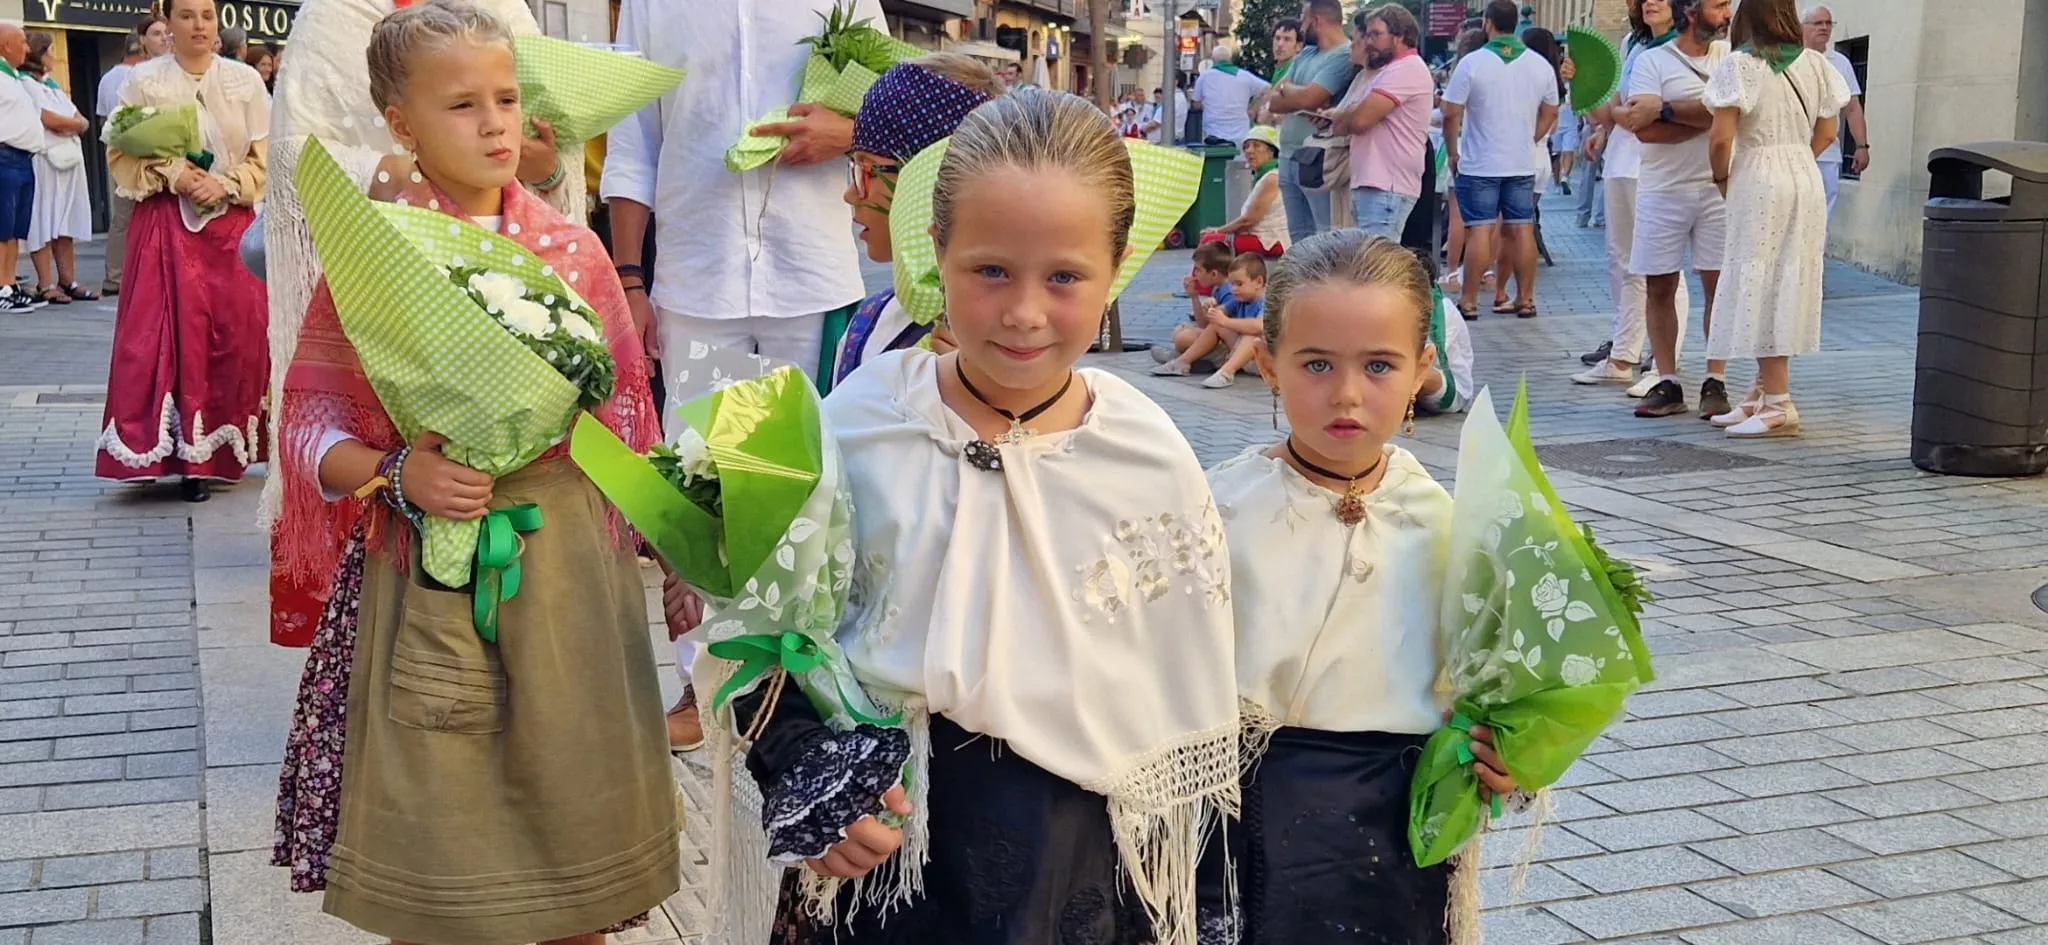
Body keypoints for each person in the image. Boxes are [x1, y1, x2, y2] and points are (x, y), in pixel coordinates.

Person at [701, 88, 1238, 945]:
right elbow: (765, 634)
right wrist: (808, 769)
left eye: (1064, 277)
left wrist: (1200, 897)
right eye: (991, 270)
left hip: (1075, 867)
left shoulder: (1150, 456)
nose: (1024, 312)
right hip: (891, 855)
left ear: (1117, 265)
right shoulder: (853, 424)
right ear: (938, 250)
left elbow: (1190, 690)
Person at [269, 6, 675, 944]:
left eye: (506, 98)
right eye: (461, 105)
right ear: (399, 122)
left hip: (568, 568)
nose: (496, 124)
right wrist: (401, 472)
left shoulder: (576, 253)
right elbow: (310, 427)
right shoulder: (378, 253)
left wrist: (685, 550)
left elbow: (625, 423)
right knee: (439, 849)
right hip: (423, 571)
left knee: (578, 826)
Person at [1198, 231, 1513, 943]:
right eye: (1316, 364)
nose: (1346, 394)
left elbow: (1480, 687)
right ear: (1271, 366)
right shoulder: (1217, 511)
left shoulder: (1444, 520)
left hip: (1396, 833)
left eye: (1379, 365)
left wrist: (1500, 751)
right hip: (1249, 827)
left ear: (1422, 370)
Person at [604, 0, 875, 401]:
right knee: (698, 458)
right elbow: (632, 145)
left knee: (815, 454)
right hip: (697, 290)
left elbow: (889, 105)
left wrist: (849, 134)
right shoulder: (648, 5)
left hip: (812, 281)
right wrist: (629, 282)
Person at [94, 0, 269, 501]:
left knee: (234, 334)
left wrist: (229, 183)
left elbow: (267, 156)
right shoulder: (145, 80)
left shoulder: (244, 82)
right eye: (187, 15)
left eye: (208, 15)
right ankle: (179, 456)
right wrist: (174, 173)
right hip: (167, 224)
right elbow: (121, 152)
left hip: (229, 228)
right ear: (166, 23)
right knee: (165, 333)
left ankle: (221, 450)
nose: (199, 25)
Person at [1704, 0, 1847, 438]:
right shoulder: (1817, 65)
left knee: (1759, 281)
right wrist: (1796, 159)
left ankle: (1779, 402)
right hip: (1803, 174)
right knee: (1786, 277)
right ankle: (1761, 392)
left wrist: (1723, 177)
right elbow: (1828, 132)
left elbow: (1721, 136)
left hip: (1758, 175)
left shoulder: (1739, 65)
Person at [830, 52, 996, 386]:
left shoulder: (1006, 338)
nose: (850, 193)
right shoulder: (870, 318)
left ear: (928, 179)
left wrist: (982, 394)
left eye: (865, 170)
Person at [1613, 0, 1733, 419]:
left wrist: (1667, 109)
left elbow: (1731, 115)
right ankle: (1667, 381)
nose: (1728, 13)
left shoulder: (1731, 56)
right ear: (1691, 12)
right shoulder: (1652, 62)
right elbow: (1643, 131)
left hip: (1718, 186)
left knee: (1718, 285)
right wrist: (1711, 114)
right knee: (1659, 285)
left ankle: (1715, 379)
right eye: (1719, 5)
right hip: (1662, 189)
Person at [1574, 0, 1691, 396]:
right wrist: (1584, 84)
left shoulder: (1686, 48)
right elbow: (1612, 111)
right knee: (1622, 261)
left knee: (1662, 265)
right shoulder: (1633, 44)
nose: (1649, 4)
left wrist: (1627, 116)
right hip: (1622, 163)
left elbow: (1655, 115)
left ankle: (1663, 363)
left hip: (1660, 166)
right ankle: (1623, 355)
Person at [1441, 0, 1558, 320]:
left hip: (1480, 162)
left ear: (1487, 23)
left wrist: (1453, 151)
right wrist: (1533, 136)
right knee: (1522, 227)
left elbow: (1450, 112)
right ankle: (1527, 299)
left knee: (1480, 230)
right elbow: (1551, 108)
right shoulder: (1539, 65)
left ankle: (1469, 301)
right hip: (1521, 161)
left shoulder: (1472, 63)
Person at [1331, 4, 1433, 241]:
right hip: (1376, 184)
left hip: (1387, 186)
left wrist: (1344, 116)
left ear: (1399, 36)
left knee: (1377, 270)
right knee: (1372, 266)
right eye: (1367, 35)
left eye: (1376, 34)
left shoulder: (1405, 70)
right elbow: (1351, 118)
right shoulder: (1392, 70)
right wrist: (1346, 116)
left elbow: (1360, 121)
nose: (1368, 42)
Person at [1261, 0, 1354, 243]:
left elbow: (1312, 97)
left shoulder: (1343, 55)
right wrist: (1297, 96)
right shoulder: (1307, 54)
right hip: (1288, 154)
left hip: (1318, 158)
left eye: (1304, 19)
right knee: (1298, 237)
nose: (1301, 27)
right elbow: (1274, 101)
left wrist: (1291, 93)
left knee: (1324, 234)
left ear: (1318, 20)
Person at [22, 31, 93, 307]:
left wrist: (74, 124)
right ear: (39, 54)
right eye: (51, 50)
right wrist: (74, 125)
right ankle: (45, 283)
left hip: (68, 160)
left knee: (65, 220)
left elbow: (76, 116)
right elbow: (50, 120)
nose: (54, 56)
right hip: (45, 160)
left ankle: (68, 280)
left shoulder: (51, 84)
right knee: (43, 220)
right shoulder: (26, 84)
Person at [1153, 251, 1269, 388]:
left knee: (1252, 336)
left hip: (1262, 361)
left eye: (1239, 284)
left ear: (1259, 282)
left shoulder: (1267, 301)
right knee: (1214, 326)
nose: (1233, 289)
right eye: (1232, 284)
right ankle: (1181, 362)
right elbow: (1213, 319)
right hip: (1242, 354)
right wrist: (1210, 309)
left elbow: (1259, 326)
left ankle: (1226, 372)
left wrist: (1225, 321)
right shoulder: (1240, 300)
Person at [1799, 4, 1868, 215]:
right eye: (1818, 23)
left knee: (1822, 216)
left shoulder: (1841, 63)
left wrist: (1862, 146)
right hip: (1794, 151)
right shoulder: (1789, 60)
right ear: (1802, 27)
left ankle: (1817, 250)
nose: (1824, 28)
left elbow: (1853, 108)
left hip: (1828, 154)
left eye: (1828, 23)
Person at [95, 31, 147, 299]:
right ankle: (121, 275)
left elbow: (103, 120)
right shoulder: (136, 77)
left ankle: (115, 273)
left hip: (115, 151)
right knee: (131, 214)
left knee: (122, 216)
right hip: (136, 152)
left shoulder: (106, 77)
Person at [0, 24, 44, 316]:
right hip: (4, 157)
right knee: (2, 228)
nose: (28, 49)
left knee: (15, 229)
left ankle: (9, 283)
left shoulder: (14, 77)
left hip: (23, 159)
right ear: (5, 46)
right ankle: (1, 289)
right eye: (22, 42)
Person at [1199, 125, 1289, 256]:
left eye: (1256, 146)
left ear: (1271, 152)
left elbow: (1249, 220)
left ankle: (1199, 277)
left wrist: (1218, 231)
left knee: (1210, 241)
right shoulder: (1265, 176)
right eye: (1246, 146)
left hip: (1271, 240)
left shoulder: (1272, 178)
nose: (1249, 151)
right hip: (1261, 237)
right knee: (1210, 239)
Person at [1191, 44, 1268, 148]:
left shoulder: (1205, 77)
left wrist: (1207, 105)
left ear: (1213, 60)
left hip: (1213, 136)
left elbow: (1195, 104)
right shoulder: (1245, 76)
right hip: (1240, 134)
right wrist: (1254, 108)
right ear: (1230, 59)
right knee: (1239, 162)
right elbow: (1268, 89)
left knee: (1217, 163)